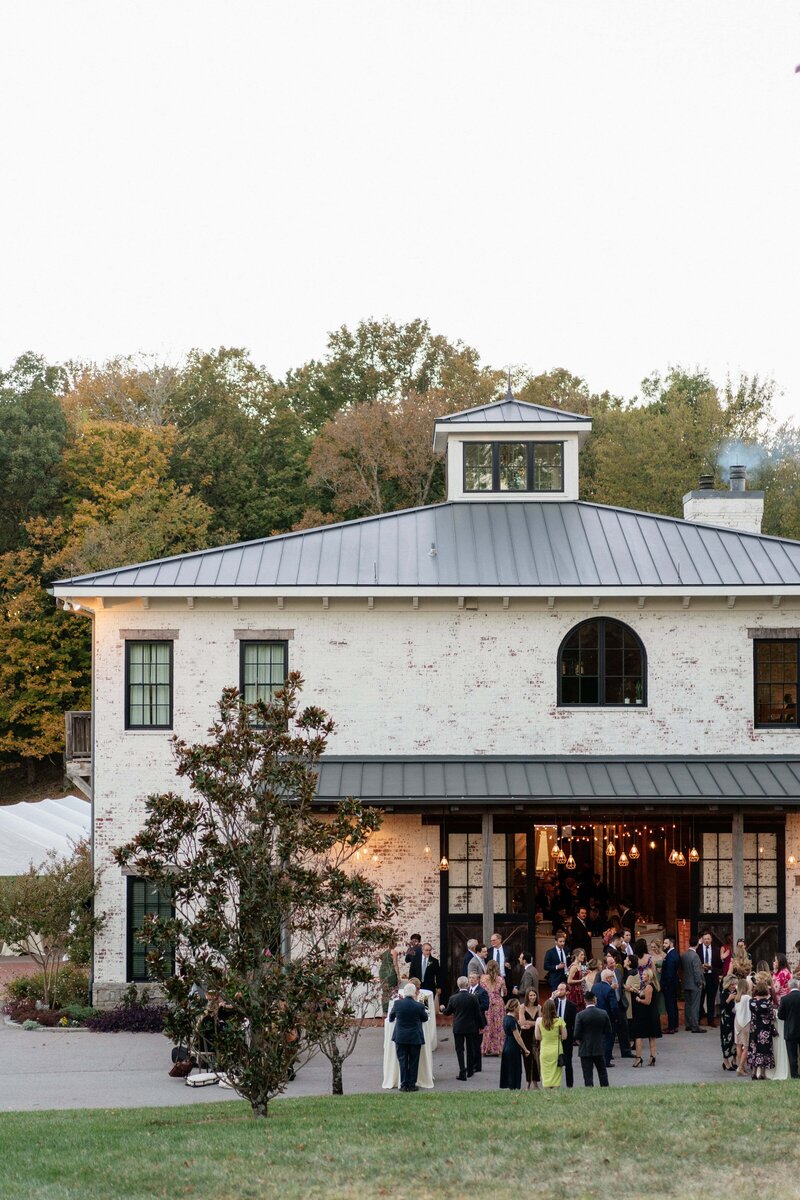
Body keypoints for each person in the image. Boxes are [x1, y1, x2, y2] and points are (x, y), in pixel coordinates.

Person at [440, 976, 486, 1081]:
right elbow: (478, 1014)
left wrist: (442, 1009)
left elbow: (447, 1012)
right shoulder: (473, 998)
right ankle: (470, 1071)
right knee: (470, 1049)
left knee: (459, 1050)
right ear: (467, 985)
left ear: (458, 985)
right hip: (471, 1027)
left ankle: (462, 1071)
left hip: (459, 1027)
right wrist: (481, 1026)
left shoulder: (453, 998)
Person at [389, 982, 428, 1092]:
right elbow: (425, 1018)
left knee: (402, 1060)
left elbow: (391, 1017)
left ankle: (403, 1083)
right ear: (414, 992)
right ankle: (412, 1084)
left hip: (401, 1036)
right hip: (415, 1036)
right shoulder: (419, 1006)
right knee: (414, 1061)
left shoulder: (397, 1004)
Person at [573, 990, 612, 1087]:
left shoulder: (580, 1015)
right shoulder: (603, 1013)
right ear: (594, 1000)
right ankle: (605, 1089)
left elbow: (576, 1033)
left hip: (585, 1048)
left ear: (585, 1000)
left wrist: (579, 1040)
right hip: (598, 1046)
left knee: (587, 1074)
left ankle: (589, 1090)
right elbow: (608, 1030)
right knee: (602, 1072)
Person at [747, 978, 776, 1080]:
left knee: (754, 1048)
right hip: (764, 1029)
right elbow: (771, 1016)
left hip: (754, 1028)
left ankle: (754, 1072)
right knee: (763, 1049)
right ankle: (762, 1073)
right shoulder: (767, 1003)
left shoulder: (751, 1001)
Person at [630, 967, 659, 1067]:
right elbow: (643, 994)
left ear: (649, 976)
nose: (642, 976)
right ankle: (652, 1057)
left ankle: (638, 1058)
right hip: (651, 1015)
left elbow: (647, 1001)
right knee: (651, 1036)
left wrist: (638, 1000)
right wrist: (636, 991)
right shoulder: (649, 986)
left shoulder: (648, 987)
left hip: (646, 1015)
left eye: (644, 975)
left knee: (638, 1036)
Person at [535, 998, 567, 1090]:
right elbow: (564, 1036)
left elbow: (538, 1037)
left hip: (544, 1050)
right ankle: (555, 1092)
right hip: (556, 1051)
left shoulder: (539, 1021)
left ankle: (546, 1092)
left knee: (546, 1074)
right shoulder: (559, 1020)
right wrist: (558, 1037)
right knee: (556, 1075)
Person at [551, 981, 578, 1088]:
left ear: (567, 992)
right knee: (553, 1062)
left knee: (568, 1062)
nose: (559, 991)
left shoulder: (572, 1006)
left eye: (562, 989)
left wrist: (575, 1037)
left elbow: (574, 1023)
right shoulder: (552, 1003)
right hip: (553, 1037)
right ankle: (553, 1084)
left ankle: (569, 1085)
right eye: (558, 989)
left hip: (567, 1037)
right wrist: (551, 998)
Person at [499, 999, 529, 1090]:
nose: (520, 1007)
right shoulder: (512, 1020)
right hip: (513, 1046)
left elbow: (509, 1031)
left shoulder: (506, 1018)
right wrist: (525, 1049)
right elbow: (518, 1037)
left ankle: (510, 1086)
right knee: (515, 1068)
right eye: (519, 1006)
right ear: (515, 1007)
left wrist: (521, 1027)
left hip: (507, 1044)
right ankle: (514, 1087)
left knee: (509, 1068)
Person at [593, 969, 619, 1068]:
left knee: (599, 1039)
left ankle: (597, 1060)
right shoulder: (609, 990)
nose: (613, 979)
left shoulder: (595, 987)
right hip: (607, 1018)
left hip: (596, 1016)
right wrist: (616, 1018)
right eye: (612, 977)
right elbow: (614, 1006)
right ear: (608, 978)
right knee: (608, 1039)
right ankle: (606, 1061)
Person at [480, 959, 507, 1056]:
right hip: (498, 1003)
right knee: (499, 1026)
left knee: (487, 1026)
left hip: (487, 1003)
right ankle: (499, 1049)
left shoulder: (482, 978)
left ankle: (486, 1049)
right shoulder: (500, 979)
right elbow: (505, 992)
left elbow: (481, 992)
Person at [696, 931, 721, 1027]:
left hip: (712, 977)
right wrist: (701, 966)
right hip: (701, 977)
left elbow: (719, 966)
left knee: (711, 1000)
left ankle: (711, 1020)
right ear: (702, 939)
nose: (706, 940)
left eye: (708, 939)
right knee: (700, 999)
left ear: (711, 940)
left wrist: (712, 968)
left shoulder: (717, 950)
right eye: (705, 939)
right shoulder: (697, 950)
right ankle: (698, 1019)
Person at [518, 988, 542, 1089]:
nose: (532, 997)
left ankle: (536, 1083)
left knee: (537, 1059)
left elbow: (541, 1021)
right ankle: (528, 1082)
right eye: (531, 995)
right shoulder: (522, 1007)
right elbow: (522, 1022)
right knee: (527, 1059)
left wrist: (531, 1023)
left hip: (536, 1035)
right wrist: (535, 1023)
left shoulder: (539, 1007)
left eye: (534, 995)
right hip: (526, 1036)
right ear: (527, 996)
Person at [777, 978, 800, 1079]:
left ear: (789, 987)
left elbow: (780, 1015)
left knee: (792, 1055)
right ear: (798, 986)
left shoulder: (785, 999)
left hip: (790, 1030)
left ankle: (794, 1075)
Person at [467, 971, 490, 1072]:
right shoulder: (467, 990)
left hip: (478, 1021)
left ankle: (477, 1066)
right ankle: (470, 1065)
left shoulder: (482, 991)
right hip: (468, 1022)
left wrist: (474, 1008)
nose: (471, 979)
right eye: (470, 978)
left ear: (478, 980)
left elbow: (486, 1005)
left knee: (476, 1045)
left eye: (473, 978)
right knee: (469, 1045)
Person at [681, 944, 705, 1033]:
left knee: (688, 1004)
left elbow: (682, 969)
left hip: (686, 983)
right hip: (694, 984)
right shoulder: (695, 956)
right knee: (695, 1005)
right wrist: (699, 982)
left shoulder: (684, 955)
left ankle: (688, 1024)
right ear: (697, 945)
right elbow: (696, 971)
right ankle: (695, 1026)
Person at [660, 937, 680, 1034]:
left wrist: (665, 984)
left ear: (671, 944)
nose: (664, 945)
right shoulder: (673, 954)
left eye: (666, 943)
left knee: (670, 1006)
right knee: (673, 1005)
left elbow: (670, 973)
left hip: (669, 985)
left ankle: (671, 1027)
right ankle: (674, 1025)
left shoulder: (671, 955)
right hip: (672, 984)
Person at [733, 976, 752, 1075]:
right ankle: (740, 1067)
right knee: (746, 1046)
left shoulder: (737, 998)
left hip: (737, 1022)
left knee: (738, 1045)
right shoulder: (748, 998)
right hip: (746, 1023)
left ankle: (741, 1066)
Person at [719, 974, 738, 1071]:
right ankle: (725, 1060)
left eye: (735, 984)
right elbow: (722, 1006)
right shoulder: (724, 992)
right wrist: (729, 999)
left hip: (735, 1018)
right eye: (732, 985)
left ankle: (734, 1060)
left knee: (735, 1039)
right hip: (726, 1019)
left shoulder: (737, 992)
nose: (734, 986)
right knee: (727, 1039)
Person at [378, 946, 399, 1015]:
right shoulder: (394, 952)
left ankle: (385, 1011)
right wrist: (398, 976)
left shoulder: (382, 951)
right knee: (393, 991)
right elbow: (395, 964)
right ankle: (392, 1010)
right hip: (390, 972)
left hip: (382, 972)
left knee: (385, 991)